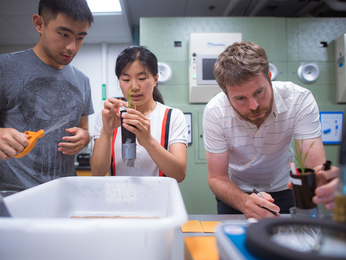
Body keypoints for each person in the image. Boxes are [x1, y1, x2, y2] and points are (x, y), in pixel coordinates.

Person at [0, 0, 94, 191]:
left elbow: (85, 129)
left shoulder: (82, 80)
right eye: (64, 34)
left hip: (67, 194)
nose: (72, 47)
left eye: (80, 37)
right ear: (39, 23)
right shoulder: (2, 68)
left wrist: (84, 137)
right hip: (16, 196)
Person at [203, 41, 339, 219]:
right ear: (225, 94)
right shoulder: (215, 111)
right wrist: (244, 202)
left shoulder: (298, 100)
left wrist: (323, 179)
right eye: (240, 98)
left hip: (285, 189)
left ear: (269, 76)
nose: (253, 106)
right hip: (236, 194)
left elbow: (314, 167)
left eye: (259, 92)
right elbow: (217, 178)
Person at [90, 46, 187, 182]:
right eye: (126, 79)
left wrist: (148, 141)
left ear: (155, 79)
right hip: (118, 199)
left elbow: (179, 174)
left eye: (141, 78)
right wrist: (106, 131)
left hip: (159, 200)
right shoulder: (108, 116)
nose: (134, 86)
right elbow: (97, 173)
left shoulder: (173, 117)